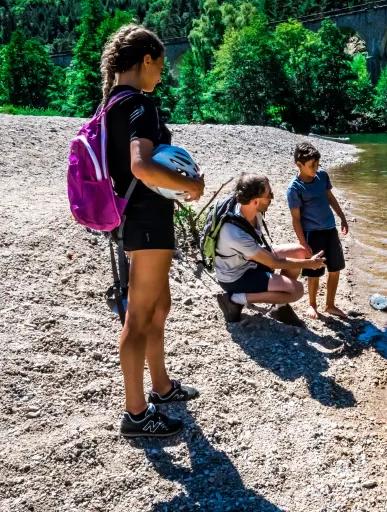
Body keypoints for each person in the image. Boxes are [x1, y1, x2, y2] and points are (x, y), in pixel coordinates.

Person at [103, 25, 205, 438]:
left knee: (159, 305)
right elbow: (141, 166)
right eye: (161, 67)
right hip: (146, 222)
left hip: (136, 219)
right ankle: (136, 415)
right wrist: (191, 185)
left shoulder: (112, 102)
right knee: (138, 317)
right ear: (145, 61)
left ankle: (161, 387)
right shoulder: (140, 104)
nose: (162, 76)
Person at [215, 173, 327, 323]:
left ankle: (279, 307)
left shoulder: (250, 208)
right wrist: (309, 264)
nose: (272, 198)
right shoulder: (235, 232)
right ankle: (235, 299)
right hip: (235, 277)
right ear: (255, 201)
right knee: (297, 290)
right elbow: (274, 263)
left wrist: (303, 260)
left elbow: (270, 259)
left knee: (299, 251)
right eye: (269, 195)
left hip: (248, 260)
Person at [287, 142, 349, 320]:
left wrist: (342, 217)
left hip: (330, 229)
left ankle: (330, 305)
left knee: (335, 268)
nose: (316, 168)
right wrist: (303, 243)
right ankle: (312, 304)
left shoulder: (322, 175)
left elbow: (330, 197)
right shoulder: (295, 188)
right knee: (314, 271)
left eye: (317, 164)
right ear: (299, 165)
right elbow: (296, 219)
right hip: (312, 234)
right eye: (312, 165)